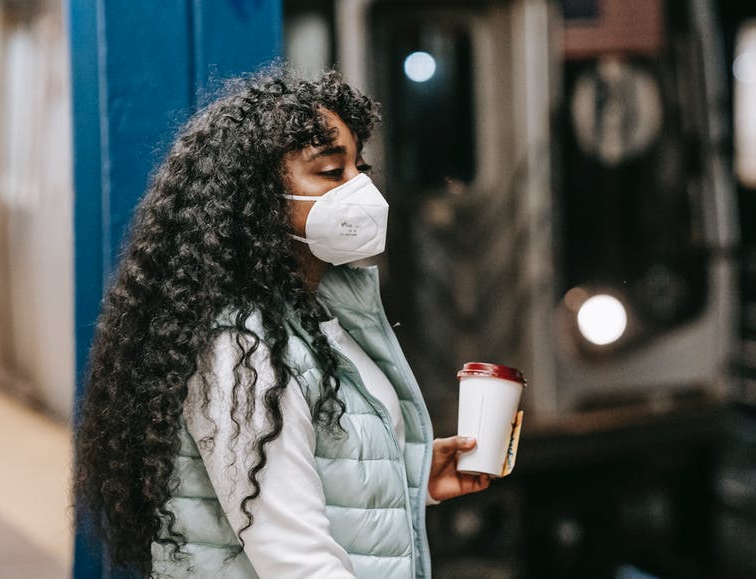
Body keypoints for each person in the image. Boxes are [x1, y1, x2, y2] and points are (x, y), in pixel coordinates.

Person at [73, 69, 491, 578]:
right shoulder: (242, 350)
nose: (360, 189)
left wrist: (412, 477)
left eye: (359, 167)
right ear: (257, 195)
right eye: (331, 172)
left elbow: (311, 483)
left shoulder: (315, 315)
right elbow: (298, 562)